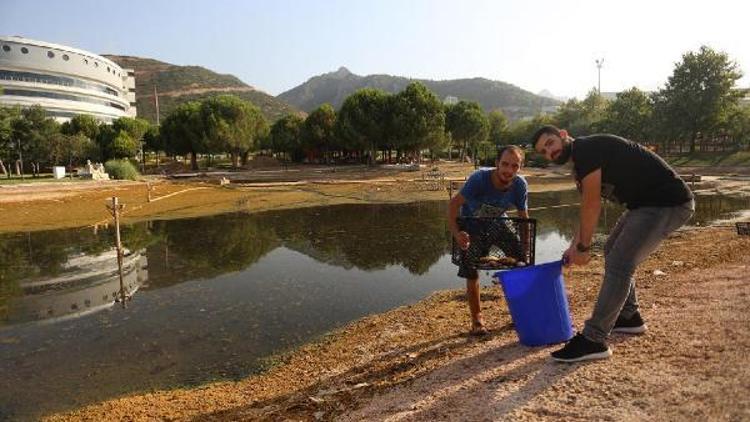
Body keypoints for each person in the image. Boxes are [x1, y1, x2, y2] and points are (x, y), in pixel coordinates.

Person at [532, 126, 694, 363]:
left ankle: (593, 339)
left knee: (620, 262)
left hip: (668, 203)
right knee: (612, 251)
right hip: (643, 205)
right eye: (543, 151)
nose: (550, 152)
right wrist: (573, 245)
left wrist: (584, 248)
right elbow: (586, 209)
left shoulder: (586, 149)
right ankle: (629, 317)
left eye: (550, 143)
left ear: (563, 134)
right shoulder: (580, 165)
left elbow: (592, 204)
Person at [448, 145, 530, 336]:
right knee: (471, 270)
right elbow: (453, 204)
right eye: (505, 164)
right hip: (471, 224)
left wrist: (525, 245)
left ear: (520, 167)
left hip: (499, 222)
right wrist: (457, 233)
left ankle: (521, 313)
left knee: (521, 262)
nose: (509, 170)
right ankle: (477, 319)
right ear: (496, 164)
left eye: (515, 166)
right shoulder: (479, 179)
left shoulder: (520, 185)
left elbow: (523, 215)